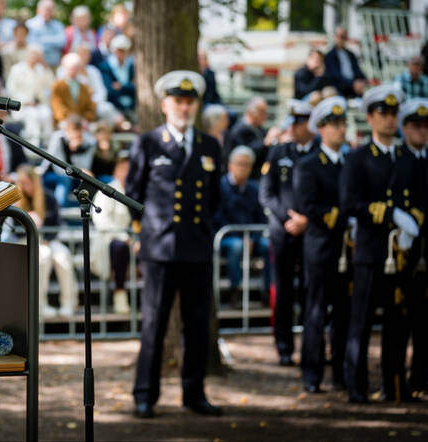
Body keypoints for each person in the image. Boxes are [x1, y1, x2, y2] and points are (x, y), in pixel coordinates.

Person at [127, 71, 223, 418]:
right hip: (160, 248)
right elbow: (133, 194)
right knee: (154, 323)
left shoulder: (210, 146)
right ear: (165, 105)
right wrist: (142, 232)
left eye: (189, 101)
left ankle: (194, 393)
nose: (184, 107)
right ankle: (144, 394)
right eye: (178, 101)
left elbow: (214, 198)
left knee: (196, 326)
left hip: (196, 247)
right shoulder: (149, 142)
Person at [341, 85, 423, 403]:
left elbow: (420, 197)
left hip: (400, 255)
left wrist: (413, 219)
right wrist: (391, 214)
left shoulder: (407, 158)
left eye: (392, 114)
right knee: (360, 323)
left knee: (397, 324)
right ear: (370, 118)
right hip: (371, 252)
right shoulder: (358, 158)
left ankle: (394, 386)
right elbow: (350, 203)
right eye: (382, 114)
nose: (389, 120)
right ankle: (356, 386)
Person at [294, 97, 350, 393]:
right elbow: (308, 205)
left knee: (343, 313)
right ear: (322, 129)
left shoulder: (351, 161)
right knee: (316, 313)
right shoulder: (309, 165)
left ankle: (341, 372)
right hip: (321, 247)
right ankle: (312, 374)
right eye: (336, 125)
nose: (342, 130)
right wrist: (345, 217)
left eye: (343, 124)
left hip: (347, 249)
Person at [258, 98, 316, 366]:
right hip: (283, 233)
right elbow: (266, 194)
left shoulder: (318, 152)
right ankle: (284, 348)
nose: (293, 127)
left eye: (299, 122)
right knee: (283, 293)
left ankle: (311, 348)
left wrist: (307, 220)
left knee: (310, 292)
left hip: (312, 233)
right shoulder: (278, 152)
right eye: (292, 122)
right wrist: (287, 218)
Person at [15, 164, 77, 317]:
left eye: (30, 183)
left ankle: (68, 303)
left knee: (63, 257)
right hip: (26, 240)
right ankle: (40, 304)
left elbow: (57, 224)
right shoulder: (16, 201)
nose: (27, 187)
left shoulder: (48, 197)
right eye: (24, 184)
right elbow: (13, 230)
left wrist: (48, 239)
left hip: (48, 239)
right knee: (43, 256)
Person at [397, 98, 428, 393]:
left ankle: (422, 376)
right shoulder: (398, 159)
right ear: (405, 128)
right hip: (403, 252)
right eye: (416, 125)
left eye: (425, 126)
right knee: (403, 317)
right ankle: (398, 382)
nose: (422, 131)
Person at [215, 146, 269, 307]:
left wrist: (252, 238)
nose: (242, 168)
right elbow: (217, 218)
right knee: (236, 246)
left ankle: (268, 290)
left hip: (251, 238)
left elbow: (261, 219)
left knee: (269, 246)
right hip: (227, 238)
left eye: (246, 165)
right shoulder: (220, 187)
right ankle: (235, 290)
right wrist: (242, 238)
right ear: (230, 165)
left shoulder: (254, 189)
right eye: (239, 164)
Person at [91, 152, 133, 314]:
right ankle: (120, 294)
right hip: (110, 240)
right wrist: (127, 238)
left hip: (135, 240)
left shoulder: (137, 190)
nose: (127, 172)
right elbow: (101, 221)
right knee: (120, 247)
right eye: (123, 168)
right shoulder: (106, 191)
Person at [42, 115, 96, 207]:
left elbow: (86, 167)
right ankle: (59, 208)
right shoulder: (57, 139)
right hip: (52, 175)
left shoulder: (89, 142)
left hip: (75, 177)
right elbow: (59, 168)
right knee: (65, 180)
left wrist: (76, 151)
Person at [6, 44, 54, 144]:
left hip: (39, 105)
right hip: (22, 105)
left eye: (37, 56)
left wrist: (46, 67)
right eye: (33, 55)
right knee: (33, 116)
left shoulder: (41, 69)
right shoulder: (17, 69)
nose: (34, 58)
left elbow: (52, 84)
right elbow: (11, 90)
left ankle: (48, 145)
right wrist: (26, 101)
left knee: (47, 114)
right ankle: (33, 147)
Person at [225, 96, 281, 178]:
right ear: (251, 113)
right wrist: (265, 142)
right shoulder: (238, 131)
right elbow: (243, 154)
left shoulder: (260, 129)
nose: (266, 116)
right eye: (262, 112)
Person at [50, 52, 97, 124]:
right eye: (70, 68)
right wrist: (69, 119)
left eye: (75, 68)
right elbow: (57, 106)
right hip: (64, 121)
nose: (72, 71)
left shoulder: (84, 86)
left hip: (82, 122)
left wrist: (85, 119)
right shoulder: (58, 86)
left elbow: (90, 106)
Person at [96, 34, 136, 114]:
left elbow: (135, 88)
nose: (121, 53)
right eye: (119, 50)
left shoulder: (130, 65)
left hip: (131, 105)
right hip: (115, 107)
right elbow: (109, 91)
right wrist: (128, 86)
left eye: (123, 50)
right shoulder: (105, 67)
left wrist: (121, 86)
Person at [324, 27, 368, 98]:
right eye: (341, 37)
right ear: (335, 37)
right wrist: (352, 83)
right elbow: (335, 75)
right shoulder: (330, 55)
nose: (343, 39)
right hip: (340, 87)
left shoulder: (351, 54)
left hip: (354, 86)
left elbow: (357, 70)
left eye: (345, 37)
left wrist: (363, 81)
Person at [26, 0, 66, 68]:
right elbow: (31, 44)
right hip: (36, 66)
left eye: (50, 9)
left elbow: (62, 42)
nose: (48, 12)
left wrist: (42, 40)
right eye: (46, 9)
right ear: (38, 10)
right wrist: (53, 42)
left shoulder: (58, 25)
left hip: (54, 65)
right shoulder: (30, 25)